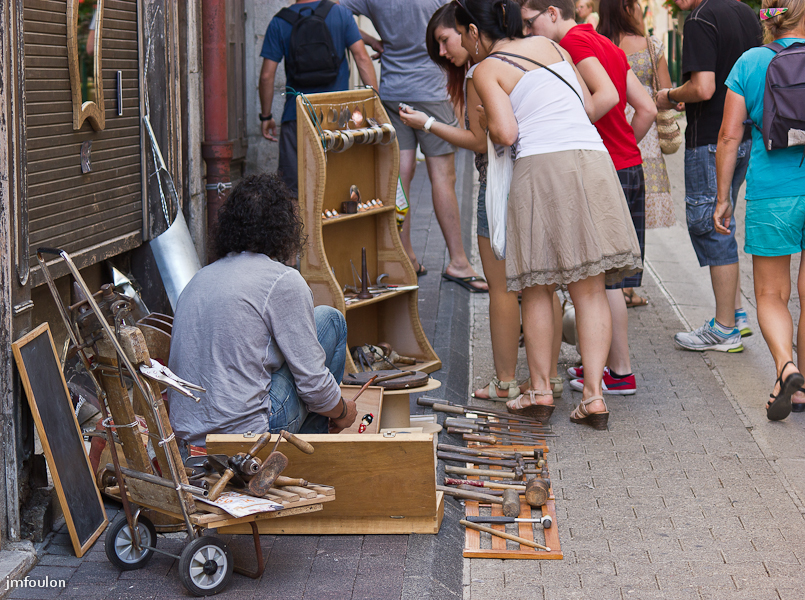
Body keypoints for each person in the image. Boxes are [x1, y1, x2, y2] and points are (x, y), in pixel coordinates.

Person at [462, 0, 642, 428]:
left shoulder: (487, 70)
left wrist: (489, 119)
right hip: (592, 159)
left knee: (538, 285)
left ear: (473, 32)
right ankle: (595, 396)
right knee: (590, 287)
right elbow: (583, 101)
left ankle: (541, 390)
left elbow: (505, 133)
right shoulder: (551, 46)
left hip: (542, 166)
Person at [397, 4, 564, 401]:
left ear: (471, 31)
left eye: (445, 39)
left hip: (502, 184)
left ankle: (506, 380)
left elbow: (480, 141)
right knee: (545, 285)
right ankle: (550, 377)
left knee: (503, 289)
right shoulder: (535, 53)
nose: (442, 52)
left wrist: (427, 124)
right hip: (545, 177)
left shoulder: (482, 70)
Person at [520, 0, 657, 397]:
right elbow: (645, 107)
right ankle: (616, 368)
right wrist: (626, 144)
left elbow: (608, 96)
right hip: (628, 165)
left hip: (599, 167)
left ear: (551, 12)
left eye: (531, 23)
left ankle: (619, 370)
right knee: (614, 279)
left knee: (603, 282)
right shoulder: (605, 43)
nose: (529, 34)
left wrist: (572, 130)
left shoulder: (573, 46)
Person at [168, 174, 358, 449]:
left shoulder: (199, 278)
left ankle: (312, 444)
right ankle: (316, 448)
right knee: (330, 320)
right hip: (247, 438)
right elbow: (314, 387)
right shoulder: (283, 281)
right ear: (284, 229)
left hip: (190, 437)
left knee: (297, 341)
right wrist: (342, 412)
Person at [338, 0, 488, 292]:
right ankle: (458, 262)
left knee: (400, 174)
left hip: (393, 89)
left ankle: (405, 256)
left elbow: (334, 9)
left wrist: (368, 39)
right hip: (433, 89)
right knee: (443, 177)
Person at [714, 0, 805, 419]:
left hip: (771, 194)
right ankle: (800, 387)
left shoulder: (750, 61)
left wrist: (723, 196)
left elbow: (729, 137)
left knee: (771, 294)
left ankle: (786, 367)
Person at [655, 0, 761, 352]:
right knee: (723, 221)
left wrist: (670, 95)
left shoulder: (700, 18)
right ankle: (737, 314)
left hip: (712, 140)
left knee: (713, 225)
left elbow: (702, 88)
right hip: (743, 136)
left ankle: (725, 329)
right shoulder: (745, 12)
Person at [598, 0, 677, 309]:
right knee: (635, 214)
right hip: (643, 131)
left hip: (611, 124)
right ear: (628, 8)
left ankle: (610, 280)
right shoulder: (650, 45)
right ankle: (628, 288)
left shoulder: (598, 45)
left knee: (611, 210)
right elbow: (664, 94)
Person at [259, 0, 377, 197]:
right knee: (340, 187)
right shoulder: (341, 15)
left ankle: (300, 228)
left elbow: (266, 76)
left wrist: (266, 116)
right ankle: (335, 226)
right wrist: (374, 104)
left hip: (297, 115)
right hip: (339, 117)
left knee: (293, 192)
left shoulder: (279, 22)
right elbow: (362, 58)